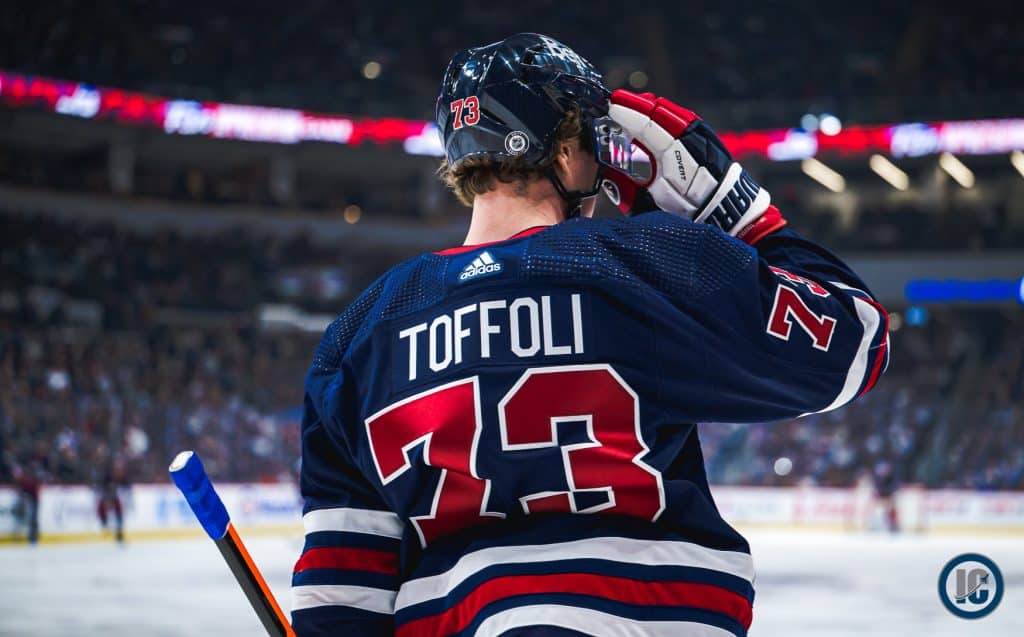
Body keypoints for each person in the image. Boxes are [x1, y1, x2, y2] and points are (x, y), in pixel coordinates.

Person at [291, 33, 889, 637]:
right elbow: (854, 345)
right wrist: (736, 210)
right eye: (594, 142)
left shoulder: (360, 332)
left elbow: (340, 600)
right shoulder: (645, 259)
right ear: (564, 151)